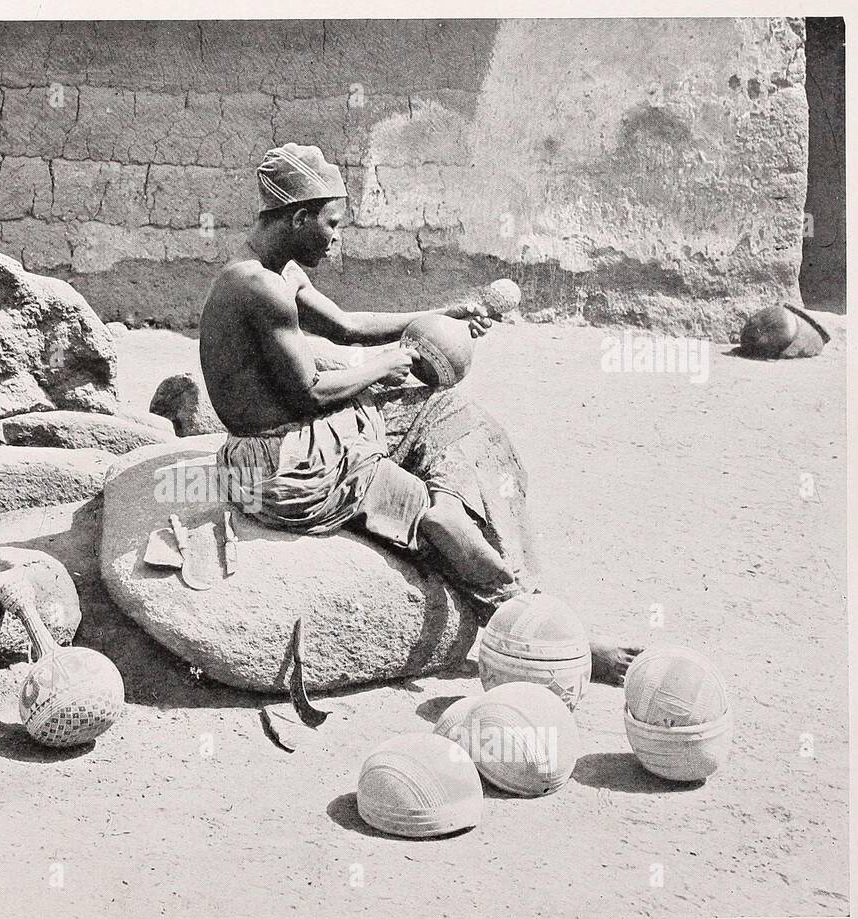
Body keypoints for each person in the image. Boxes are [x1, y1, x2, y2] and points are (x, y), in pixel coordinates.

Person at [199, 143, 638, 684]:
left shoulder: (276, 271)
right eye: (332, 225)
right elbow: (312, 390)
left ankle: (511, 569)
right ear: (298, 216)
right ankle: (542, 632)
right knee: (437, 518)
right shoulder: (257, 287)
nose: (337, 239)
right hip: (287, 469)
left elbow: (346, 327)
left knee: (447, 416)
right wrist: (385, 363)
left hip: (302, 441)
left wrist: (439, 316)